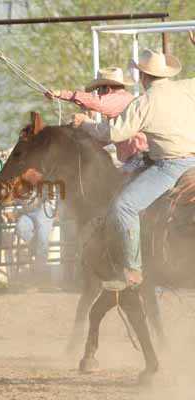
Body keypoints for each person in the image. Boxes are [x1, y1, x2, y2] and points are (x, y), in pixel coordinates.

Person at [74, 49, 195, 286]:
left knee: (124, 206)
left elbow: (113, 133)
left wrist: (86, 124)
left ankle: (133, 270)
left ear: (142, 76)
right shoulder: (187, 87)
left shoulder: (145, 103)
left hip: (171, 165)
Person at [46, 67, 148, 172]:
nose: (98, 94)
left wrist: (61, 94)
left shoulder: (117, 99)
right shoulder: (126, 101)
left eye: (99, 90)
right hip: (137, 156)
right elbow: (108, 135)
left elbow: (96, 102)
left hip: (138, 157)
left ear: (107, 89)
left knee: (122, 186)